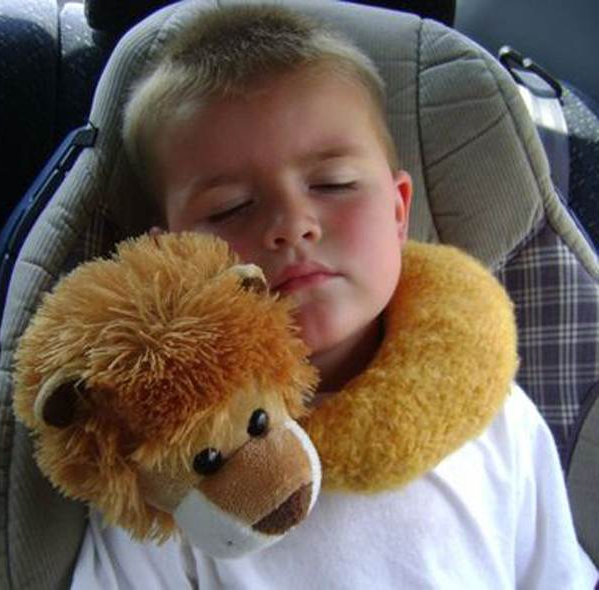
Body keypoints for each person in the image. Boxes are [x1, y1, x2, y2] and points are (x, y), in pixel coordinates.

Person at [72, 4, 597, 588]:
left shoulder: (495, 417)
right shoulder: (173, 462)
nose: (292, 225)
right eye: (230, 208)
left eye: (333, 184)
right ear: (170, 255)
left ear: (398, 212)